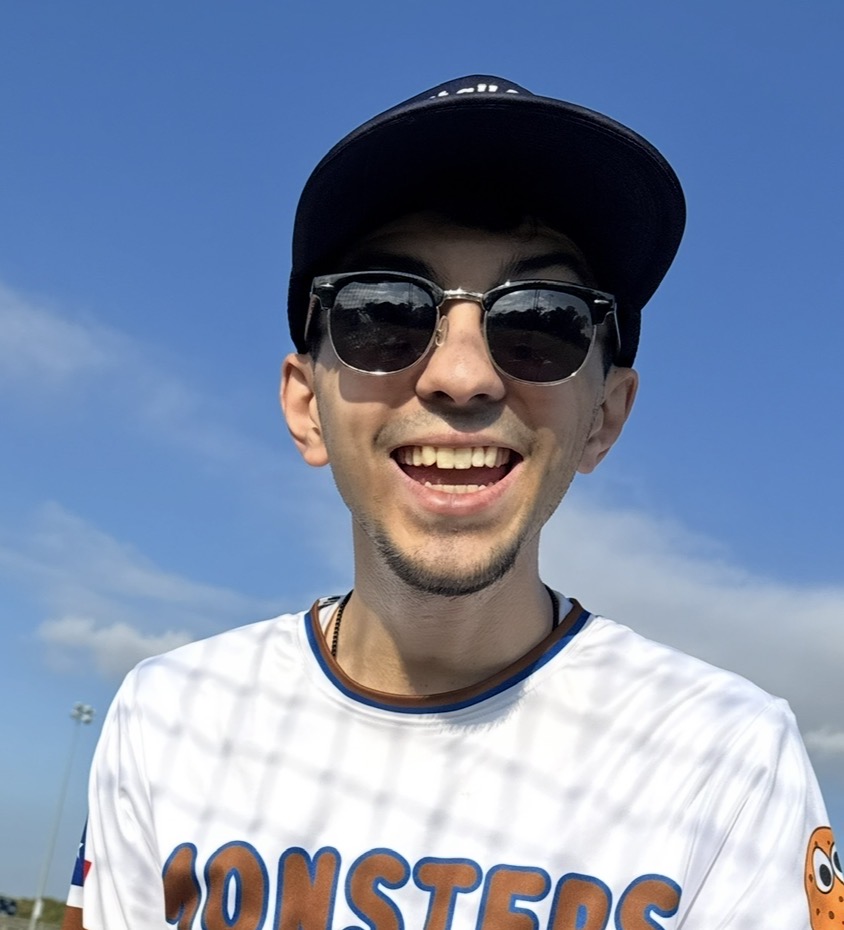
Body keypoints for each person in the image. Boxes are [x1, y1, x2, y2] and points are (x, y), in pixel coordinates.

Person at [62, 75, 835, 930]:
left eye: (542, 322)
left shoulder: (729, 759)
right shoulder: (169, 717)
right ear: (305, 405)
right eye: (384, 311)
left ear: (604, 418)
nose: (462, 376)